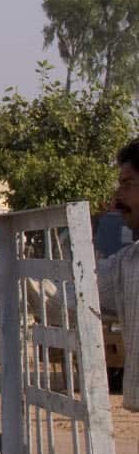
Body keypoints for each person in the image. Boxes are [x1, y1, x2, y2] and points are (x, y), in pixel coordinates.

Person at [98, 139, 139, 414]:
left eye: (127, 183)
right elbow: (71, 293)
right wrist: (0, 244)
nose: (117, 197)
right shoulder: (129, 264)